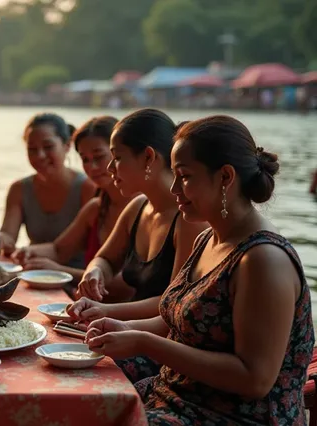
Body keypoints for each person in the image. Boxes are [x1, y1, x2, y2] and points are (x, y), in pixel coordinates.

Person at [84, 115, 314, 425]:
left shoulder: (263, 260)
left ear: (225, 177)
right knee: (82, 393)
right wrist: (125, 329)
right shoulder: (208, 237)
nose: (175, 188)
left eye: (185, 176)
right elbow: (176, 321)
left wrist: (144, 342)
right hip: (178, 396)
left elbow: (255, 379)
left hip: (231, 416)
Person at [68, 110, 205, 321]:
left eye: (117, 157)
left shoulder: (189, 220)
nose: (110, 167)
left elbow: (173, 303)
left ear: (148, 157)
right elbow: (105, 258)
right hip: (130, 330)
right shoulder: (138, 207)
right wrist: (94, 272)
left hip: (160, 341)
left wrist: (105, 311)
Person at [12, 117, 135, 292]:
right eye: (85, 159)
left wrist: (60, 270)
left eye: (99, 157)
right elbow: (58, 250)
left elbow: (129, 284)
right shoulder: (96, 208)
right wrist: (27, 252)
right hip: (92, 306)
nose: (91, 167)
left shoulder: (142, 208)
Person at [0, 113, 97, 269]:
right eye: (32, 149)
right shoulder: (19, 189)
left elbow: (66, 250)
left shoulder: (88, 188)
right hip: (34, 272)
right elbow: (8, 237)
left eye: (48, 147)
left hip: (78, 277)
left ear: (67, 145)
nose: (40, 156)